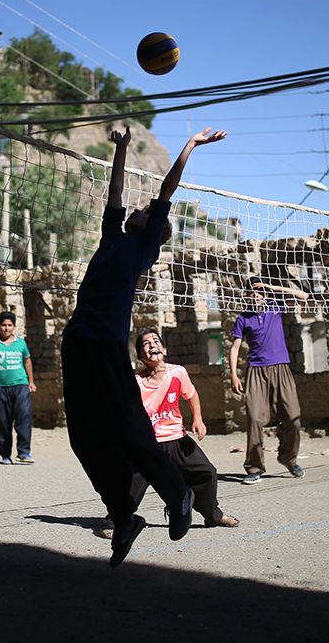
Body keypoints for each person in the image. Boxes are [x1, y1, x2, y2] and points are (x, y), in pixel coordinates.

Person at [62, 125, 227, 568]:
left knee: (130, 428)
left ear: (157, 229)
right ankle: (123, 515)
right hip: (75, 340)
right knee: (83, 437)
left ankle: (177, 495)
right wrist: (121, 150)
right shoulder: (113, 237)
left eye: (146, 211)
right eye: (135, 210)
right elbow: (113, 194)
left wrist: (189, 146)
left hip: (105, 341)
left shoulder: (145, 243)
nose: (136, 209)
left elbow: (165, 191)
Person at [100, 329, 239, 539]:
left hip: (177, 439)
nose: (152, 345)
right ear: (139, 356)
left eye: (156, 341)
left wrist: (198, 419)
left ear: (164, 350)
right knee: (131, 486)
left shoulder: (178, 373)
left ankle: (213, 515)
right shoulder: (135, 382)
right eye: (145, 344)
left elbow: (191, 395)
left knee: (207, 473)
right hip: (148, 445)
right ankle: (113, 521)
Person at [228, 277, 310, 484]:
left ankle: (288, 459)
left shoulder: (275, 308)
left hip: (281, 368)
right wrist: (234, 374)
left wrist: (271, 287)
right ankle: (254, 468)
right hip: (256, 371)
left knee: (293, 417)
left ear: (264, 295)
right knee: (255, 419)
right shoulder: (243, 318)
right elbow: (235, 347)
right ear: (246, 295)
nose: (254, 295)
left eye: (258, 292)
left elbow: (304, 296)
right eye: (251, 292)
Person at [0, 310, 36, 464]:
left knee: (24, 416)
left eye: (10, 325)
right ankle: (5, 454)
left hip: (20, 385)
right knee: (2, 421)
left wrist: (31, 381)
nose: (6, 328)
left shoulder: (21, 343)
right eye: (3, 325)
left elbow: (27, 361)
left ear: (14, 327)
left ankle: (23, 452)